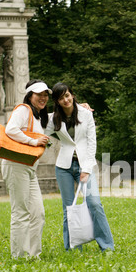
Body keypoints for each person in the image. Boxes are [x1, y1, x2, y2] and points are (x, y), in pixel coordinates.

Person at [45, 82, 114, 252]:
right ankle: (73, 248)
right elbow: (42, 134)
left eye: (67, 95)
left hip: (85, 165)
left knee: (94, 204)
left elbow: (92, 143)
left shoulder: (86, 113)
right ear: (57, 101)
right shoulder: (53, 118)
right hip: (64, 167)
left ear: (72, 95)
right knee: (69, 209)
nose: (66, 100)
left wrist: (87, 170)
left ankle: (107, 247)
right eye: (61, 98)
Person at [1, 80, 51, 258]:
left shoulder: (39, 116)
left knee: (38, 213)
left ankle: (33, 255)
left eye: (46, 95)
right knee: (21, 212)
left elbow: (61, 115)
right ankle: (20, 257)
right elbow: (10, 130)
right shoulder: (23, 109)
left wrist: (80, 107)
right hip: (16, 165)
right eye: (39, 94)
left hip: (29, 169)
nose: (43, 98)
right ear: (30, 95)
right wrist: (33, 141)